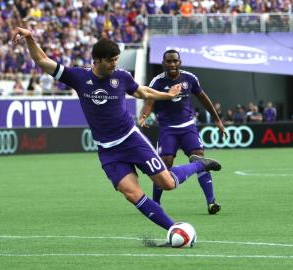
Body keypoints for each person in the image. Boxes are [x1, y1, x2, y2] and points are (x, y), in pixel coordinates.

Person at [12, 27, 221, 234]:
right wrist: (30, 38)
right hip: (108, 151)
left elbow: (141, 91)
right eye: (110, 60)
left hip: (131, 140)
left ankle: (198, 165)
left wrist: (166, 96)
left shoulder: (121, 77)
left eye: (116, 59)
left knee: (167, 183)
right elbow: (42, 61)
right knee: (132, 194)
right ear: (97, 60)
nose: (114, 64)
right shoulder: (78, 77)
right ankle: (174, 229)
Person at [139, 49, 226, 215]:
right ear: (163, 63)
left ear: (180, 62)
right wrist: (143, 116)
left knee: (200, 159)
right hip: (167, 129)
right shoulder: (157, 82)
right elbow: (149, 101)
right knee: (165, 164)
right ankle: (155, 203)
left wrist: (217, 120)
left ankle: (211, 202)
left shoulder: (190, 78)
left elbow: (203, 98)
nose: (172, 64)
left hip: (188, 127)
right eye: (169, 61)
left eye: (175, 61)